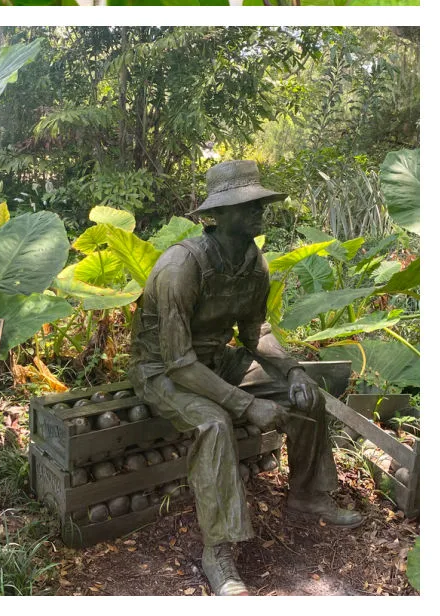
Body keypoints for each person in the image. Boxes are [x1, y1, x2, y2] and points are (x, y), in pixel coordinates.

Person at [129, 160, 362, 596]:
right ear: (218, 215)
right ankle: (218, 549)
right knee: (213, 423)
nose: (259, 211)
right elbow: (178, 361)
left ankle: (308, 494)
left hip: (216, 359)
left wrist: (291, 370)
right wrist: (245, 404)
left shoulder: (254, 264)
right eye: (247, 205)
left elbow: (258, 333)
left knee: (307, 394)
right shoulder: (182, 267)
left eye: (260, 203)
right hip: (162, 369)